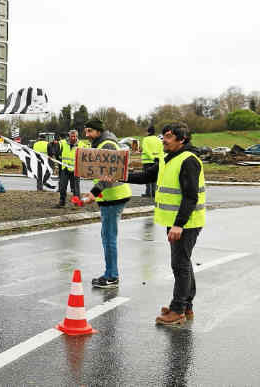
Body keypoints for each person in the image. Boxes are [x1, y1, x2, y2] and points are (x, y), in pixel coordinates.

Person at [124, 122, 205, 325]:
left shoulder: (188, 160)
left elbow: (190, 196)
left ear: (182, 139)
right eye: (163, 136)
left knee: (179, 265)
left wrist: (179, 225)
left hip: (187, 222)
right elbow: (145, 176)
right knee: (184, 263)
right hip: (177, 221)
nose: (164, 140)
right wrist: (120, 176)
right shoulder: (168, 158)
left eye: (168, 136)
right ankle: (186, 306)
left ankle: (177, 310)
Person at [81, 119, 132, 289]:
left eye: (89, 131)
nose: (86, 135)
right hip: (110, 196)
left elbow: (109, 175)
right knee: (107, 236)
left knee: (109, 238)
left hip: (113, 197)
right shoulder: (103, 143)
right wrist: (94, 193)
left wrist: (93, 194)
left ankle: (112, 276)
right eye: (86, 131)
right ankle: (110, 273)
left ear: (97, 131)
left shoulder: (106, 145)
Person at [56, 130, 81, 207]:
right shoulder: (62, 143)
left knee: (75, 188)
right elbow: (56, 148)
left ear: (77, 136)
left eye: (75, 136)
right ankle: (62, 201)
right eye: (72, 136)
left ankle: (76, 203)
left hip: (76, 170)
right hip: (65, 168)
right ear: (69, 136)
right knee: (62, 186)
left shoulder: (81, 145)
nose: (73, 138)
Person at [141, 125, 164, 198]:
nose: (145, 132)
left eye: (146, 131)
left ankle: (148, 193)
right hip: (156, 162)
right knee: (155, 178)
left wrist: (152, 157)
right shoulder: (158, 140)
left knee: (147, 177)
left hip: (147, 162)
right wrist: (158, 159)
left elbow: (146, 150)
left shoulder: (145, 139)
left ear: (149, 132)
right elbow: (161, 150)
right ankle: (154, 193)